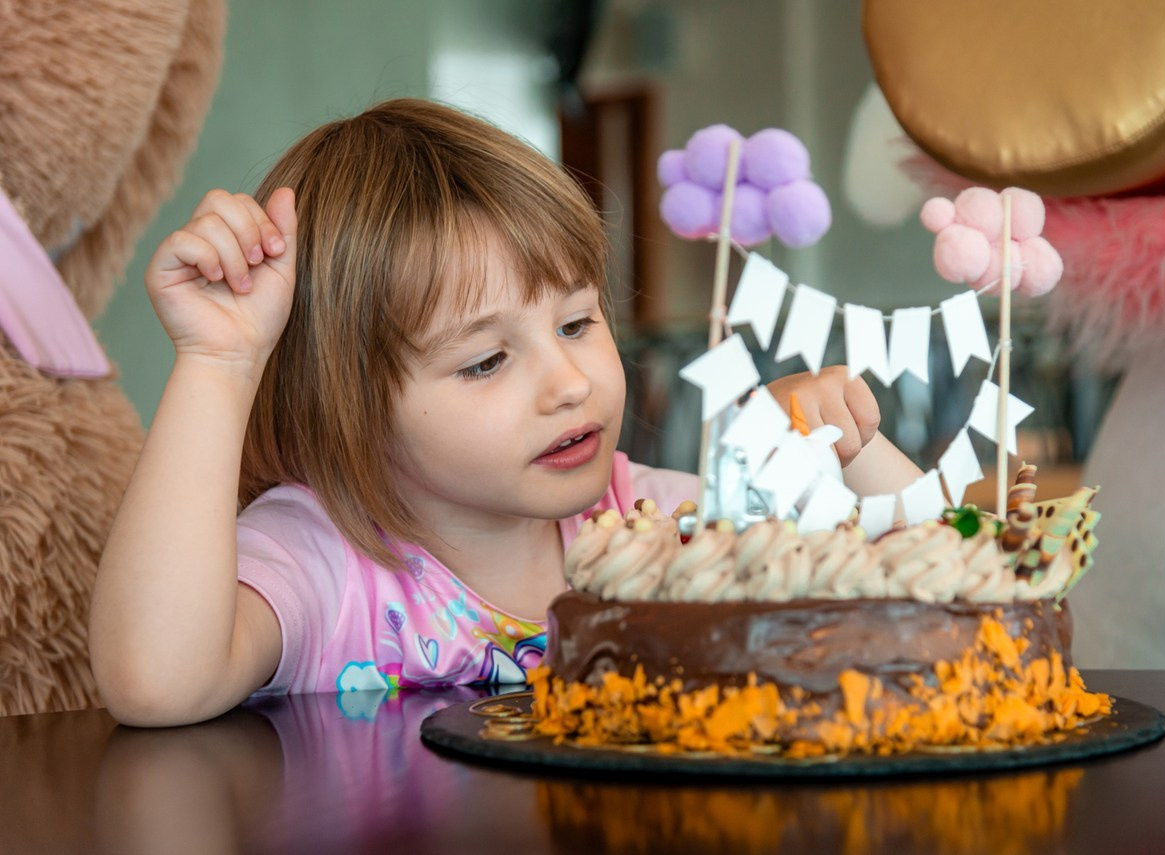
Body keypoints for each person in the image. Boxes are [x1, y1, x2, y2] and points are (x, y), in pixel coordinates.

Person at [90, 99, 922, 727]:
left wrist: (851, 445)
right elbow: (156, 682)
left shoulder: (653, 526)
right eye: (486, 360)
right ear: (350, 405)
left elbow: (936, 598)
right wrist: (219, 364)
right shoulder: (324, 561)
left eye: (577, 322)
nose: (568, 382)